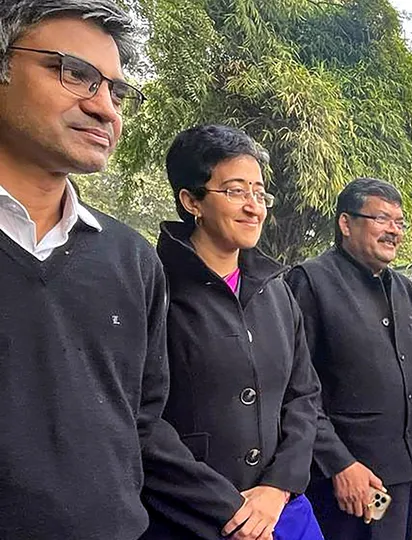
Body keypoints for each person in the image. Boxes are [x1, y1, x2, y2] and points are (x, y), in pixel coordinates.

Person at [0, 3, 235, 537]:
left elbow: (141, 427)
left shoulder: (130, 259)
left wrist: (231, 511)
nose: (106, 109)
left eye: (116, 91)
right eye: (76, 74)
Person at [141, 124, 326, 539]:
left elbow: (303, 395)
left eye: (259, 193)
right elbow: (141, 417)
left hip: (282, 511)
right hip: (192, 518)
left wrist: (278, 487)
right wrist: (228, 508)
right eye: (237, 191)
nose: (254, 207)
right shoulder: (153, 285)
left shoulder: (275, 289)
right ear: (192, 201)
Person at [287, 178, 412, 540]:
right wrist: (339, 464)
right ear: (345, 224)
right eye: (382, 219)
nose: (394, 231)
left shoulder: (404, 290)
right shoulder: (311, 283)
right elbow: (296, 387)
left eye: (399, 222)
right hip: (344, 480)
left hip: (400, 477)